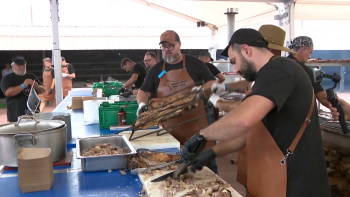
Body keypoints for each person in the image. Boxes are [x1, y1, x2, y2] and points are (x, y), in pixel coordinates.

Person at [181, 29, 331, 196]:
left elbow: (242, 120)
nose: (236, 70)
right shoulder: (268, 75)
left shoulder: (279, 69)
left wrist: (201, 135)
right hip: (279, 176)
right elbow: (251, 132)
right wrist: (212, 152)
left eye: (234, 61)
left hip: (297, 183)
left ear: (246, 50)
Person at [137, 30, 218, 173]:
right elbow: (144, 91)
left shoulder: (195, 64)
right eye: (164, 47)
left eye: (171, 46)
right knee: (174, 170)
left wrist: (200, 91)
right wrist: (142, 104)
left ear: (179, 45)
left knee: (206, 170)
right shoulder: (158, 70)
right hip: (170, 133)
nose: (167, 49)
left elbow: (212, 81)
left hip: (197, 129)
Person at [210, 24, 296, 112]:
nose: (236, 70)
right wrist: (224, 87)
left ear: (267, 50)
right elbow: (249, 84)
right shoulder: (267, 70)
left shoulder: (277, 71)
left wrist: (218, 102)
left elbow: (249, 109)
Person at [288, 36, 331, 108]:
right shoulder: (304, 70)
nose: (309, 57)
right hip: (299, 114)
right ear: (303, 49)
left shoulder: (281, 64)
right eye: (310, 52)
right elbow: (322, 97)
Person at [1, 56, 45, 122]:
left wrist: (37, 87)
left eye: (23, 64)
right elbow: (8, 93)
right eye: (19, 65)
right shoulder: (7, 78)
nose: (22, 67)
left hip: (33, 114)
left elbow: (43, 90)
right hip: (16, 115)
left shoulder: (31, 76)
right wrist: (23, 85)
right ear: (13, 66)